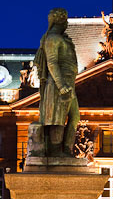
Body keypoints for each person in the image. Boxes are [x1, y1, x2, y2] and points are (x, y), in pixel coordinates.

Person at [33, 8, 80, 157]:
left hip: (69, 83)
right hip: (58, 85)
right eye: (65, 19)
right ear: (60, 20)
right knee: (56, 118)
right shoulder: (53, 38)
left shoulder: (62, 38)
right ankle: (55, 152)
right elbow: (52, 63)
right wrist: (61, 86)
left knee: (75, 117)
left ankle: (66, 149)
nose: (67, 22)